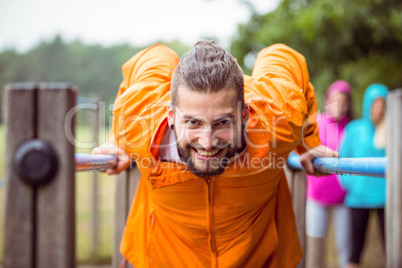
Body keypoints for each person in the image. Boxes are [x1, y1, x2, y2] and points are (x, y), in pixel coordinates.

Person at [92, 41, 337, 267]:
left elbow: (282, 56)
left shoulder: (278, 119)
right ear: (171, 117)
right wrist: (117, 143)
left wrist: (308, 143)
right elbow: (156, 56)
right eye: (193, 123)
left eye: (222, 123)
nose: (207, 143)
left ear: (244, 116)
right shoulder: (137, 121)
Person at [339, 84, 389, 268]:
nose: (379, 109)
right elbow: (343, 158)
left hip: (387, 198)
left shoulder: (394, 130)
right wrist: (352, 184)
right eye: (375, 104)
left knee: (392, 247)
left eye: (383, 104)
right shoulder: (354, 129)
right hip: (358, 197)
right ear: (368, 104)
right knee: (355, 249)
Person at [305, 80, 353, 268]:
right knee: (315, 245)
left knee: (345, 246)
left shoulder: (352, 128)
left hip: (344, 198)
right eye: (335, 100)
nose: (339, 106)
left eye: (343, 102)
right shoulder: (316, 122)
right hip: (316, 196)